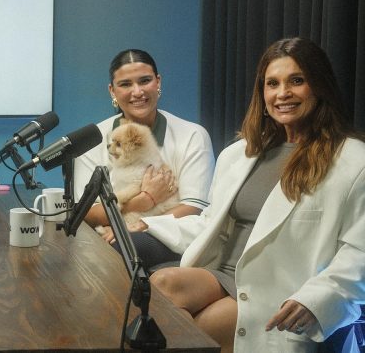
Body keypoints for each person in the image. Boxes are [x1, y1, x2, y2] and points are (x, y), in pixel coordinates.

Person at [147, 38, 365, 352]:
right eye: (272, 84)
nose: (282, 93)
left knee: (200, 328)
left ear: (319, 87)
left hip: (280, 290)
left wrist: (318, 298)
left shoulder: (353, 161)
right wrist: (148, 225)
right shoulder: (240, 154)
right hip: (224, 274)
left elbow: (358, 252)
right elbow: (210, 222)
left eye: (297, 81)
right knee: (161, 285)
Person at [73, 49, 215, 270]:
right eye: (125, 84)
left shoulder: (193, 136)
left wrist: (140, 225)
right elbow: (88, 213)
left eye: (145, 81)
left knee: (122, 248)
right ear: (112, 91)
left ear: (158, 82)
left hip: (173, 236)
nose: (137, 92)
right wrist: (143, 201)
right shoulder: (94, 140)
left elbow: (194, 208)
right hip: (109, 234)